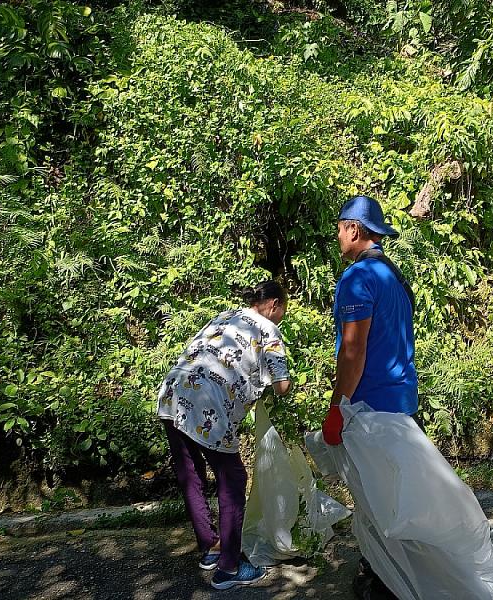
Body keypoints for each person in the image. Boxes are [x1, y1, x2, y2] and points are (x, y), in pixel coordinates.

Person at [156, 281, 292, 589]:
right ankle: (229, 568)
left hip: (172, 394)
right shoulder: (268, 330)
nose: (282, 315)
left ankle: (211, 548)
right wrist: (283, 387)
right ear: (272, 304)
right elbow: (281, 386)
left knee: (191, 476)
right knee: (233, 479)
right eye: (283, 308)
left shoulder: (224, 316)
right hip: (208, 404)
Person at [321, 195, 418, 599]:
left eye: (340, 228)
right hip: (401, 400)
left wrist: (336, 406)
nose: (337, 236)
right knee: (395, 494)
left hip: (370, 406)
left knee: (376, 499)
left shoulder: (358, 278)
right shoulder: (393, 274)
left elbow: (353, 351)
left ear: (353, 229)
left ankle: (384, 580)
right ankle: (393, 569)